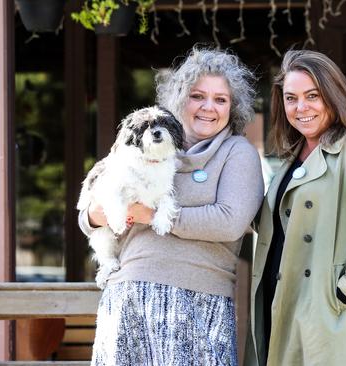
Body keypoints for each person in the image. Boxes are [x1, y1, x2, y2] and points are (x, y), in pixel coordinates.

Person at [79, 47, 264, 365]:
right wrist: (98, 215)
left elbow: (229, 222)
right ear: (180, 98)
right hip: (129, 295)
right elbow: (91, 212)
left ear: (233, 107)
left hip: (199, 301)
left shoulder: (238, 152)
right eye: (197, 96)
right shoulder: (145, 144)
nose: (208, 107)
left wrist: (150, 216)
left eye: (220, 99)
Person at [246, 50, 346, 365]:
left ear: (333, 96)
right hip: (284, 303)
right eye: (291, 98)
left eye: (312, 96)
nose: (301, 107)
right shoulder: (291, 157)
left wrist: (343, 292)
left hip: (335, 313)